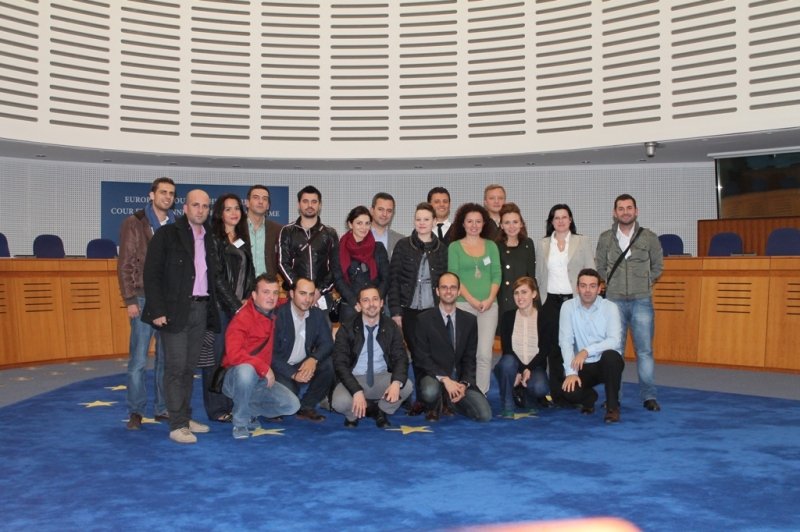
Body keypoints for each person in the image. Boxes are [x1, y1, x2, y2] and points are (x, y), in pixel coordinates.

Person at [142, 189, 224, 444]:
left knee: (189, 368)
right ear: (185, 208)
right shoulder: (167, 235)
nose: (200, 210)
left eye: (205, 206)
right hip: (175, 311)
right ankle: (177, 424)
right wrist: (157, 310)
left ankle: (185, 417)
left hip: (201, 309)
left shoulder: (210, 238)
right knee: (176, 368)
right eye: (195, 205)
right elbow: (151, 274)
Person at [595, 193, 664, 412]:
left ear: (636, 211)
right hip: (613, 302)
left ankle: (649, 396)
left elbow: (658, 266)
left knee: (644, 351)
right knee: (614, 352)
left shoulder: (649, 237)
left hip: (641, 300)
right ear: (614, 213)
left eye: (629, 208)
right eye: (621, 208)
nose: (625, 212)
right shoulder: (606, 238)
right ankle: (614, 397)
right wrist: (611, 283)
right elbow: (600, 267)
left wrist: (644, 282)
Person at [118, 176, 175, 430]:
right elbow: (125, 264)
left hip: (169, 300)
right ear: (152, 195)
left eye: (171, 193)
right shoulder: (134, 223)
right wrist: (130, 299)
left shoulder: (176, 224)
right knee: (139, 360)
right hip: (142, 298)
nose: (167, 197)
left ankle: (162, 408)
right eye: (163, 192)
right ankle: (136, 411)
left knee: (165, 359)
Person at [222, 275, 301, 439]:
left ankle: (248, 409)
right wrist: (264, 368)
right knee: (246, 371)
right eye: (266, 292)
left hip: (261, 381)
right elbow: (234, 355)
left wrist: (307, 299)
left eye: (275, 293)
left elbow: (292, 302)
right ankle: (240, 422)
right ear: (254, 295)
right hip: (236, 378)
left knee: (292, 406)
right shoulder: (242, 318)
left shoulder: (275, 311)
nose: (271, 297)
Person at [388, 202, 448, 414]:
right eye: (418, 219)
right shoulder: (403, 245)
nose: (422, 223)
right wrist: (396, 311)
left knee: (433, 354)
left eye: (426, 219)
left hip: (433, 311)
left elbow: (445, 282)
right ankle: (422, 399)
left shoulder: (442, 249)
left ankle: (435, 398)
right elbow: (394, 280)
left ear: (434, 221)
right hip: (409, 310)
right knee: (417, 354)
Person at [202, 193, 255, 423]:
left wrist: (248, 299)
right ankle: (216, 409)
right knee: (216, 359)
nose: (234, 213)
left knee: (234, 357)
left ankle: (232, 403)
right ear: (219, 213)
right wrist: (235, 306)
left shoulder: (242, 237)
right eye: (228, 209)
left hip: (240, 308)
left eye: (236, 208)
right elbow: (217, 278)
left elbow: (249, 272)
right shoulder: (214, 238)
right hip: (220, 309)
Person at [535, 204, 595, 403]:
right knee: (554, 349)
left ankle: (578, 391)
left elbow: (591, 271)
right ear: (551, 222)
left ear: (570, 220)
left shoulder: (582, 241)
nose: (560, 221)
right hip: (550, 301)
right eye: (556, 218)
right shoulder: (543, 244)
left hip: (575, 300)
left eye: (564, 217)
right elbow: (539, 276)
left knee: (577, 345)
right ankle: (557, 393)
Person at [413, 272, 492, 422]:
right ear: (437, 291)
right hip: (434, 377)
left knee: (484, 415)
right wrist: (445, 379)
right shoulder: (423, 320)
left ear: (459, 291)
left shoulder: (470, 321)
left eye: (453, 287)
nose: (448, 291)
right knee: (430, 391)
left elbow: (469, 358)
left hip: (459, 379)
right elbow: (421, 357)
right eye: (444, 287)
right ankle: (436, 401)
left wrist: (464, 384)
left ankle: (449, 400)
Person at [331, 285, 413, 428]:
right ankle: (353, 415)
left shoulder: (391, 326)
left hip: (381, 376)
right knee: (339, 402)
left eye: (375, 299)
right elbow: (340, 363)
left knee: (406, 386)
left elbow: (401, 357)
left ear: (381, 303)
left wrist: (395, 382)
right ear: (358, 306)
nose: (371, 304)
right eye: (366, 300)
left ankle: (381, 410)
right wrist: (356, 390)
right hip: (354, 377)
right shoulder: (346, 328)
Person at [447, 203, 501, 394]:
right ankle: (461, 392)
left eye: (478, 221)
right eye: (470, 221)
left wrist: (489, 299)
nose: (474, 225)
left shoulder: (491, 246)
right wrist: (472, 301)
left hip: (489, 306)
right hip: (463, 305)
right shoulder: (454, 247)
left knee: (484, 354)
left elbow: (496, 274)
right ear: (462, 223)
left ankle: (481, 394)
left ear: (484, 223)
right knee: (462, 353)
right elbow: (454, 277)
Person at [559, 268, 625, 423]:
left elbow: (615, 340)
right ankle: (589, 399)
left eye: (592, 286)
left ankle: (612, 407)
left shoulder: (610, 307)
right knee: (569, 391)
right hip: (582, 365)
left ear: (599, 288)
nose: (587, 290)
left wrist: (586, 351)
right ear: (577, 288)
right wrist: (571, 373)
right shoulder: (567, 307)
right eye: (583, 286)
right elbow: (565, 341)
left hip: (605, 363)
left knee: (611, 356)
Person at [271, 277, 335, 421]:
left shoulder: (317, 314)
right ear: (292, 294)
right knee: (290, 396)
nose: (307, 299)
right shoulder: (278, 316)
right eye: (302, 293)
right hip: (280, 368)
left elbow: (327, 343)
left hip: (303, 363)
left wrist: (314, 359)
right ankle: (272, 407)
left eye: (311, 294)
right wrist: (293, 374)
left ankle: (306, 407)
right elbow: (270, 355)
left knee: (329, 365)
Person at [277, 185, 339, 311]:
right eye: (305, 201)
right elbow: (282, 263)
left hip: (322, 297)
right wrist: (299, 289)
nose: (310, 205)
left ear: (320, 205)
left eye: (314, 202)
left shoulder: (330, 233)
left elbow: (336, 267)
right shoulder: (287, 231)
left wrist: (319, 291)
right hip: (295, 295)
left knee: (322, 325)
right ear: (298, 204)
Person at [496, 277, 548, 418]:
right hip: (512, 366)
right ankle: (507, 405)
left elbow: (544, 350)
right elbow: (507, 348)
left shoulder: (544, 317)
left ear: (534, 294)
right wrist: (519, 370)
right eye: (516, 293)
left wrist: (527, 369)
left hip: (535, 366)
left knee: (540, 387)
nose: (519, 297)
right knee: (507, 362)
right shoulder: (507, 317)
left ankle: (526, 395)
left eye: (524, 292)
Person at [333, 205, 389, 323]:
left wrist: (375, 300)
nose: (364, 227)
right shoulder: (339, 249)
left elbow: (386, 278)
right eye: (359, 223)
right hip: (351, 306)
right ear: (350, 224)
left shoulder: (378, 248)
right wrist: (354, 301)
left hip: (374, 307)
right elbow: (338, 279)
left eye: (367, 223)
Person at [496, 202, 536, 318]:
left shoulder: (528, 244)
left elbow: (531, 276)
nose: (511, 226)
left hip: (525, 302)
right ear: (501, 225)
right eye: (507, 223)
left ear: (521, 224)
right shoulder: (495, 246)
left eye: (515, 222)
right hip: (503, 302)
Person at [245, 184, 283, 279]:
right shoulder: (236, 228)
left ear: (268, 206)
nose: (261, 202)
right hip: (242, 284)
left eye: (265, 199)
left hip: (268, 284)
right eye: (256, 197)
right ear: (247, 203)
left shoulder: (278, 230)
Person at [370, 192, 404, 259]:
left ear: (393, 213)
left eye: (389, 211)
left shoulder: (400, 240)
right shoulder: (358, 236)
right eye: (380, 209)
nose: (384, 214)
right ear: (372, 210)